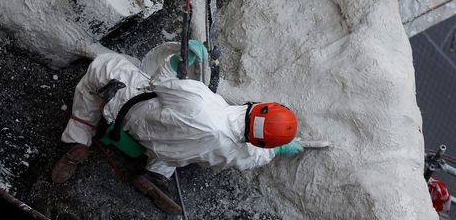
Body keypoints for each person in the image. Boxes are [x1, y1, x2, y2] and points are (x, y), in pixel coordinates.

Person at [51, 40, 303, 215]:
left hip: (129, 115)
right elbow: (254, 156)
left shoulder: (201, 101)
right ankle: (155, 173)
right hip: (163, 149)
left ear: (260, 106)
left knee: (103, 65)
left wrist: (178, 60)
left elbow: (161, 81)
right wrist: (277, 150)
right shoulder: (241, 154)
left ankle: (79, 138)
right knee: (189, 150)